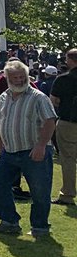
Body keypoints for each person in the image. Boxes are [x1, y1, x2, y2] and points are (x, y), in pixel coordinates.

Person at [0, 59, 59, 237]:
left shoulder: (38, 97)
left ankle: (40, 227)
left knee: (39, 190)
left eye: (22, 76)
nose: (19, 80)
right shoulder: (4, 97)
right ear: (7, 78)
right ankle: (9, 221)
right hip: (9, 151)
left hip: (33, 150)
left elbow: (50, 121)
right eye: (15, 77)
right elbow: (1, 122)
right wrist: (0, 144)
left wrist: (41, 145)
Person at [48, 48, 77, 206]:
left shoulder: (63, 79)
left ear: (71, 60)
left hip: (68, 121)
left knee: (68, 158)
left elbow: (53, 101)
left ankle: (68, 194)